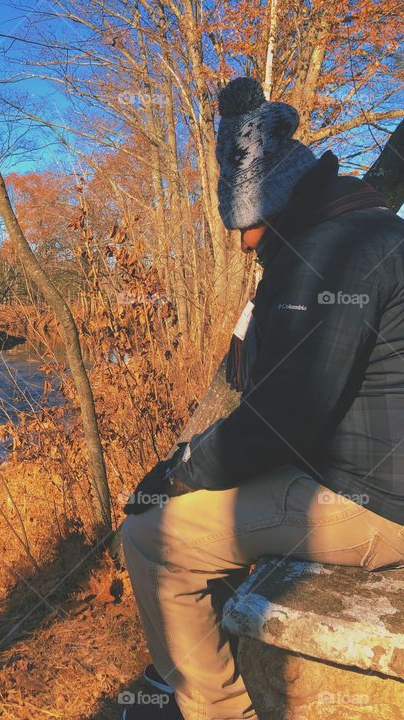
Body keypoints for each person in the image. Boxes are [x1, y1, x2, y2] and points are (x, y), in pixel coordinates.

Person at [119, 77, 404, 720]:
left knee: (150, 538)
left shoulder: (329, 257)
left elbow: (282, 421)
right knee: (206, 501)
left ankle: (214, 707)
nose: (243, 246)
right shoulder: (361, 229)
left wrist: (175, 473)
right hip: (361, 474)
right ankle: (212, 662)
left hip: (377, 507)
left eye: (243, 228)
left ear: (267, 207)